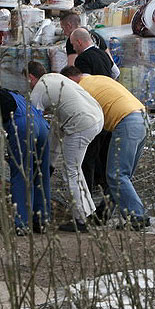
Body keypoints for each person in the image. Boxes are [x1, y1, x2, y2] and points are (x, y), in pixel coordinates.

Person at [61, 66, 150, 230]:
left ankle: (137, 216)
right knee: (120, 175)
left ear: (70, 80)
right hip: (142, 118)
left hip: (126, 122)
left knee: (117, 175)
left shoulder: (81, 89)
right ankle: (103, 213)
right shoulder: (99, 79)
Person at [26, 61, 103, 232]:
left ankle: (80, 220)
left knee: (71, 172)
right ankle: (88, 211)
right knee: (75, 168)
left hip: (81, 122)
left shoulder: (39, 89)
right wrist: (49, 164)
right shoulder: (54, 77)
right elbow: (55, 129)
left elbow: (33, 123)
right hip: (96, 116)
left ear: (31, 77)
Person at [0, 84, 51, 235]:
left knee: (21, 175)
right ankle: (42, 220)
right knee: (41, 175)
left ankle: (22, 223)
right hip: (43, 126)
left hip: (24, 127)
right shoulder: (16, 94)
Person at [61, 13, 120, 79]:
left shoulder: (80, 55)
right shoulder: (98, 37)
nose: (74, 48)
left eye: (63, 29)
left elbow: (72, 73)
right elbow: (116, 71)